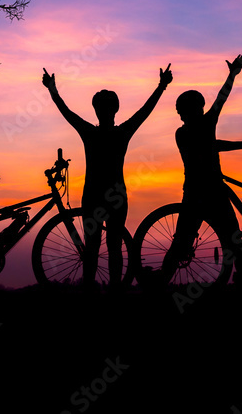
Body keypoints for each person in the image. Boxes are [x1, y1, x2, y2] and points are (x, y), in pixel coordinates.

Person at [42, 64, 172, 289]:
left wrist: (52, 90)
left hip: (93, 194)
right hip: (116, 195)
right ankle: (115, 291)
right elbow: (144, 111)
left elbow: (66, 113)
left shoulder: (90, 133)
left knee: (92, 248)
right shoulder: (121, 132)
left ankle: (91, 291)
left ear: (96, 110)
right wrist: (161, 87)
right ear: (115, 110)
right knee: (114, 247)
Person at [160, 54, 242, 287]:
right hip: (212, 192)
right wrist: (232, 75)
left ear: (184, 112)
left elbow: (221, 101)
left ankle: (158, 287)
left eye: (183, 111)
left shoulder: (183, 132)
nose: (182, 115)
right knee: (234, 245)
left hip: (196, 193)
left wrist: (232, 75)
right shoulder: (196, 128)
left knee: (182, 243)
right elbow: (220, 104)